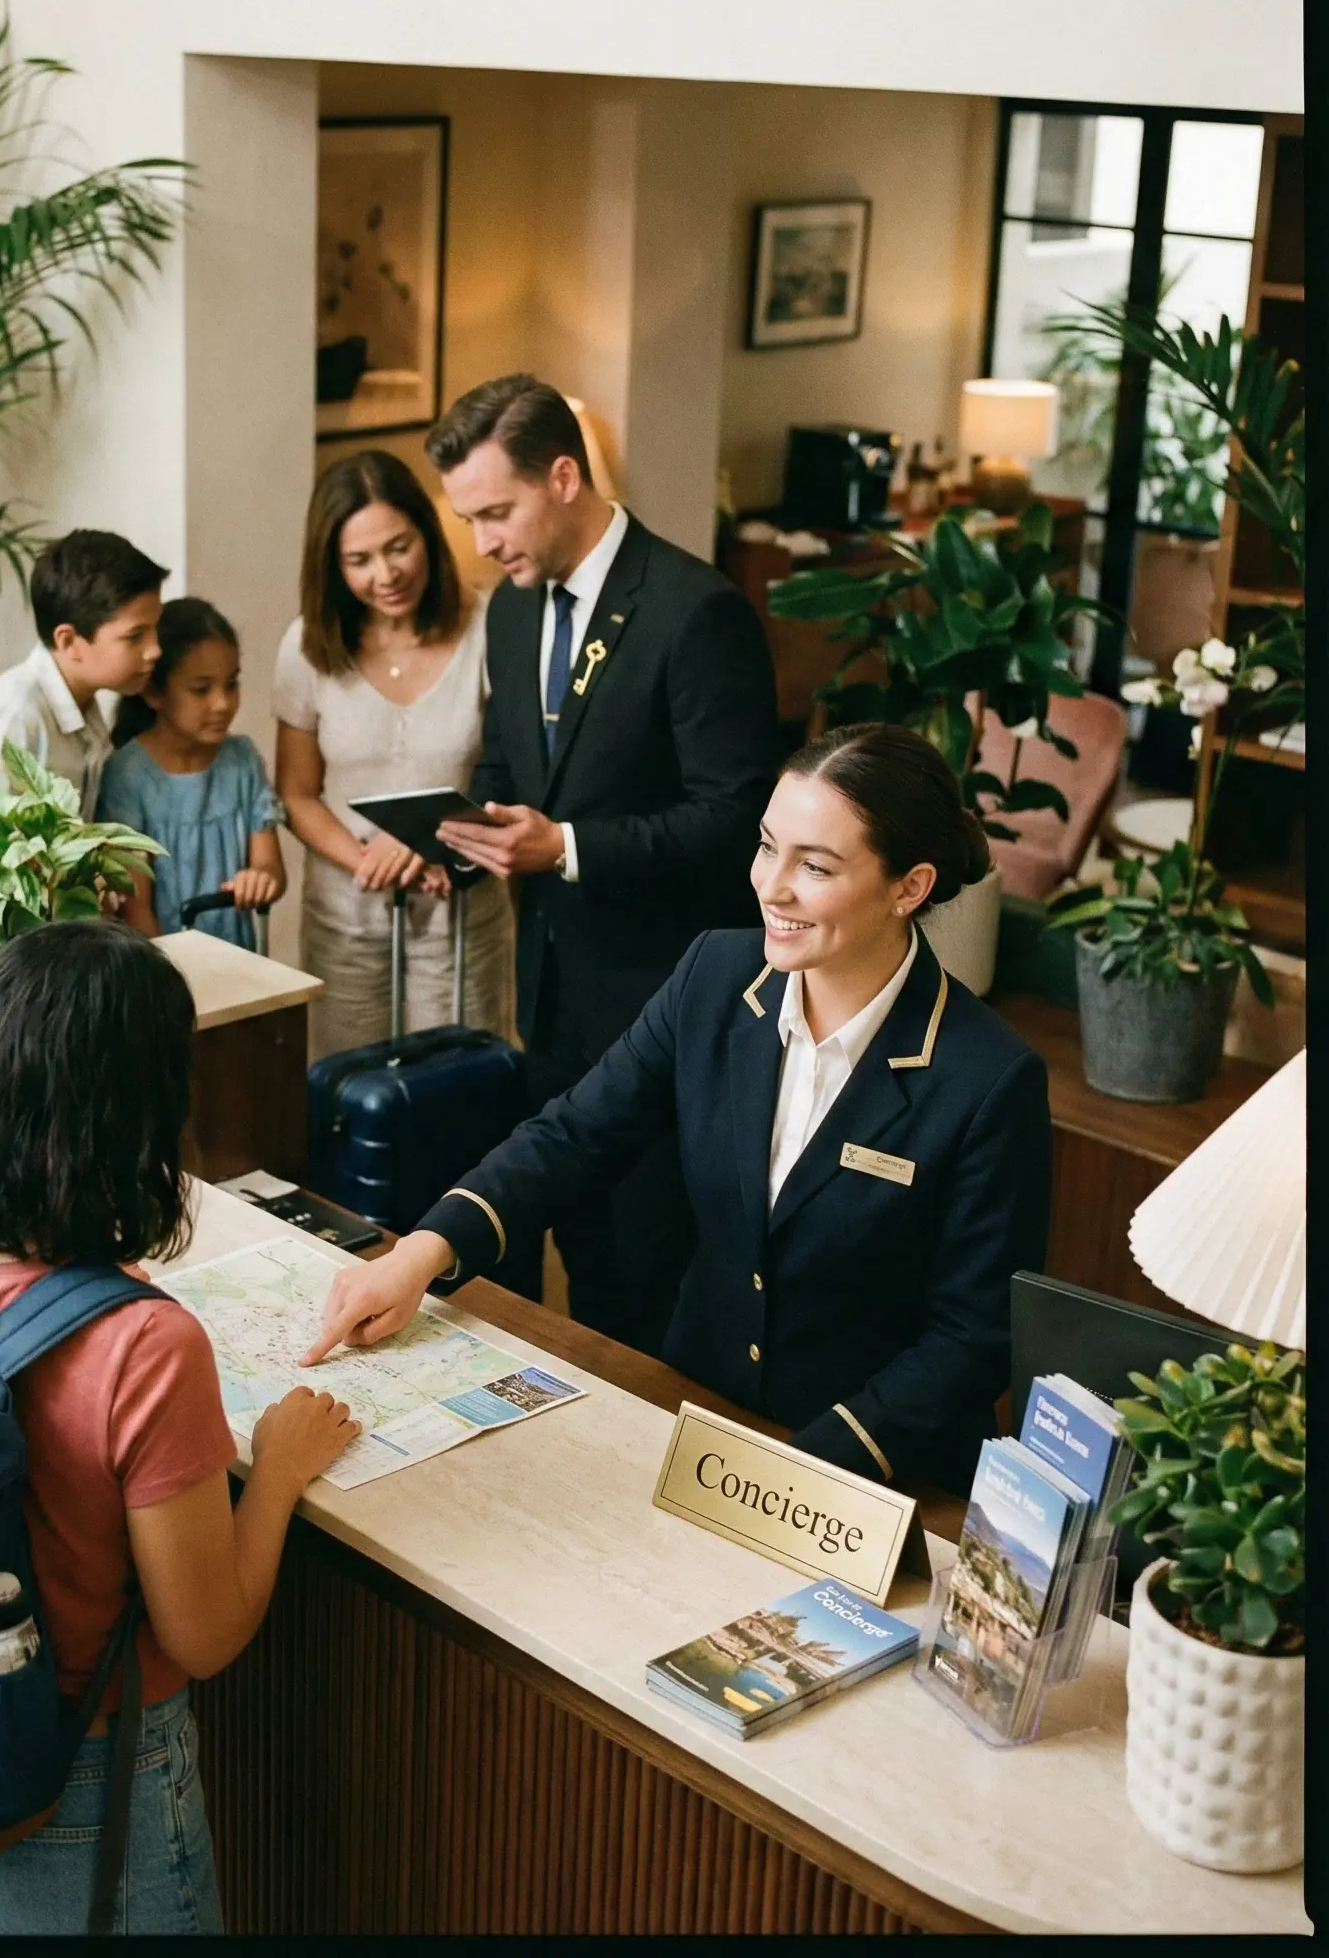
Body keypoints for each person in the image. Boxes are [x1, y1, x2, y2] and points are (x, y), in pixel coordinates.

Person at [307, 723, 1053, 1497]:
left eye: (816, 865)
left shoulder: (989, 1078)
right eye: (768, 846)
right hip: (703, 1415)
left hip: (873, 1472)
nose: (772, 885)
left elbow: (972, 1340)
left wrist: (800, 1473)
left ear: (910, 886)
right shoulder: (714, 975)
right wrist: (419, 1254)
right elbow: (574, 1136)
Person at [0, 918, 357, 1935]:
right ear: (142, 1118)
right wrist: (278, 1469)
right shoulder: (144, 1343)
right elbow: (201, 1631)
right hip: (71, 1786)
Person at [423, 374, 778, 1349]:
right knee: (577, 1257)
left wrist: (567, 848)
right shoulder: (508, 608)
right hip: (548, 998)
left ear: (564, 476)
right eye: (469, 519)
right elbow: (509, 761)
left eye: (495, 512)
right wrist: (468, 829)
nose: (484, 543)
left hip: (662, 999)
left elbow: (738, 817)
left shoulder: (691, 610)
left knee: (649, 1265)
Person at [273, 449, 512, 1057]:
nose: (386, 574)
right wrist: (364, 861)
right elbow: (297, 793)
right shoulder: (305, 646)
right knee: (351, 1101)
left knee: (459, 1097)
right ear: (331, 565)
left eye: (398, 547)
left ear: (428, 534)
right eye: (359, 560)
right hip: (345, 920)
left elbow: (516, 774)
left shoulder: (492, 628)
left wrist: (429, 841)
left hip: (458, 911)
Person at [98, 597, 285, 949]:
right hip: (163, 968)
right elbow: (137, 913)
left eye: (231, 684)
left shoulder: (243, 760)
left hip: (239, 963)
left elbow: (272, 869)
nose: (222, 703)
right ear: (154, 692)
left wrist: (260, 880)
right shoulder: (127, 775)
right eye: (201, 689)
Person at [0, 529, 165, 816]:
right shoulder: (14, 718)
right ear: (68, 641)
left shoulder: (87, 710)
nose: (155, 649)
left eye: (155, 628)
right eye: (135, 636)